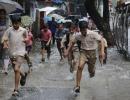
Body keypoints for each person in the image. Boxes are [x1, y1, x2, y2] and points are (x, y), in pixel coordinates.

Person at [64, 21, 105, 94]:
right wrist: (67, 51)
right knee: (79, 67)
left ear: (87, 28)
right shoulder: (78, 35)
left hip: (92, 53)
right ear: (80, 29)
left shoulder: (93, 34)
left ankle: (92, 71)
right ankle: (77, 86)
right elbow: (72, 43)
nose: (83, 32)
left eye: (84, 30)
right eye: (82, 30)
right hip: (83, 52)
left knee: (91, 72)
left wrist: (102, 52)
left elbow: (101, 40)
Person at [2, 15, 28, 96]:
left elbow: (28, 38)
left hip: (21, 52)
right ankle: (23, 75)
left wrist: (25, 40)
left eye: (16, 23)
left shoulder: (24, 30)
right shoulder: (9, 30)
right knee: (15, 70)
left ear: (20, 23)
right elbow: (4, 38)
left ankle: (16, 89)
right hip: (11, 52)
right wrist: (5, 44)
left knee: (16, 69)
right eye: (13, 23)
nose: (15, 25)